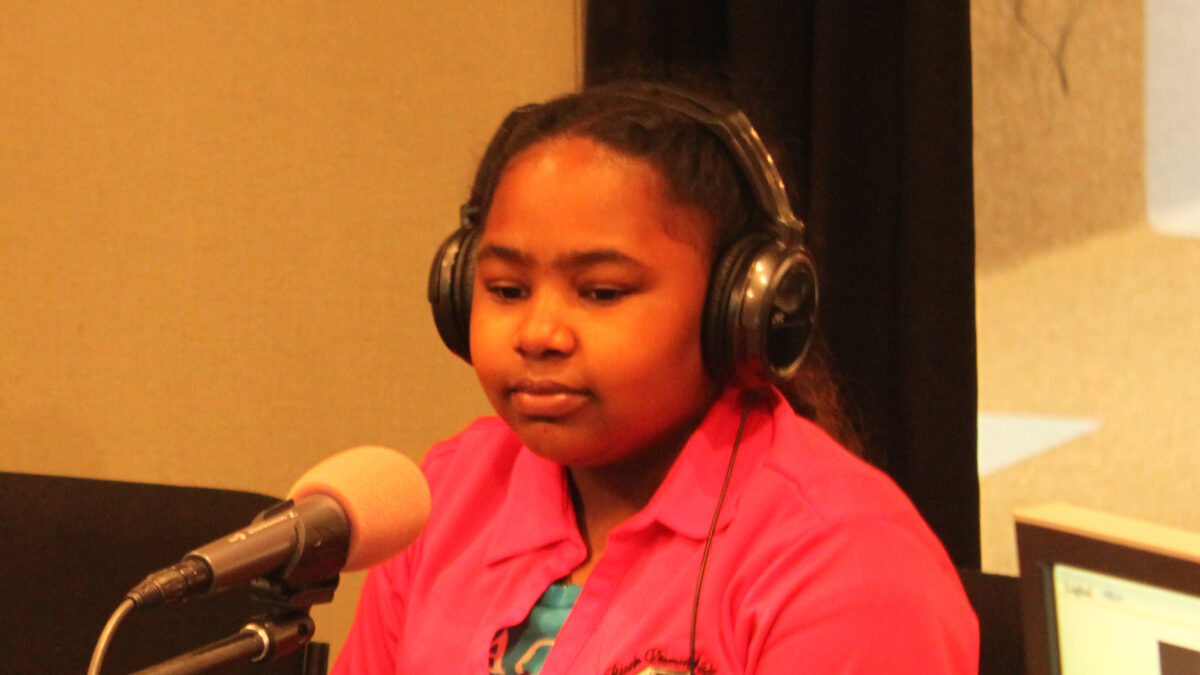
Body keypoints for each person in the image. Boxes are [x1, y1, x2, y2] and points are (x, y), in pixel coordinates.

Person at [333, 82, 978, 674]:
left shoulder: (845, 563)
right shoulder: (445, 497)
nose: (538, 334)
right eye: (507, 288)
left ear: (739, 309)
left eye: (602, 292)